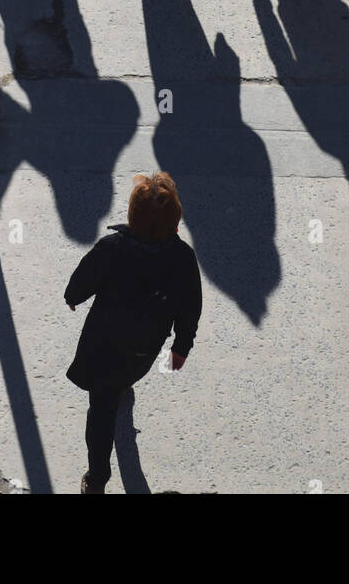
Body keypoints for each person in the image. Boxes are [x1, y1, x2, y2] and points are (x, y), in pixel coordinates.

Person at [65, 172, 202, 495]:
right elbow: (190, 307)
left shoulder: (111, 248)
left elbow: (82, 282)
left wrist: (72, 298)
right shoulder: (183, 258)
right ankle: (123, 386)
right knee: (123, 378)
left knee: (101, 412)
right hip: (144, 348)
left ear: (132, 215)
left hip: (103, 346)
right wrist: (181, 347)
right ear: (176, 220)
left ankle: (96, 479)